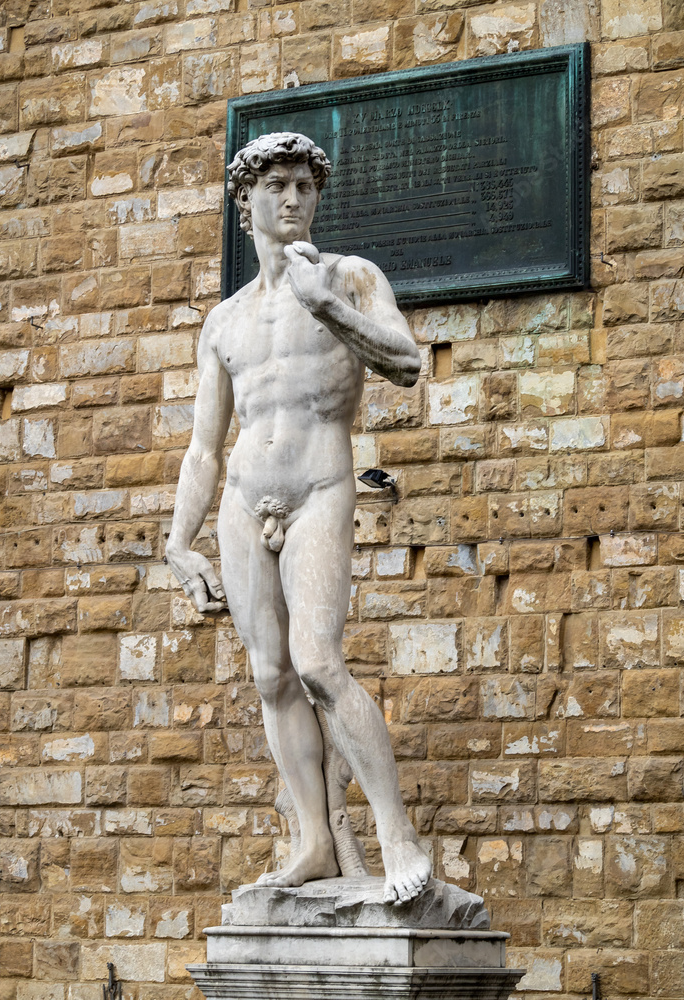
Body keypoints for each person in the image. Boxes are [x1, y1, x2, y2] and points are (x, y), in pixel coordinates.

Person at [166, 132, 432, 904]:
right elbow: (203, 448)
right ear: (244, 200)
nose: (293, 199)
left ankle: (394, 832)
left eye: (305, 187)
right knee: (272, 675)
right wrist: (179, 542)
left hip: (319, 485)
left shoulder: (349, 277)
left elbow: (408, 364)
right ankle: (314, 839)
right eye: (277, 185)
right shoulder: (224, 322)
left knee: (317, 659)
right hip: (245, 500)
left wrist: (326, 307)